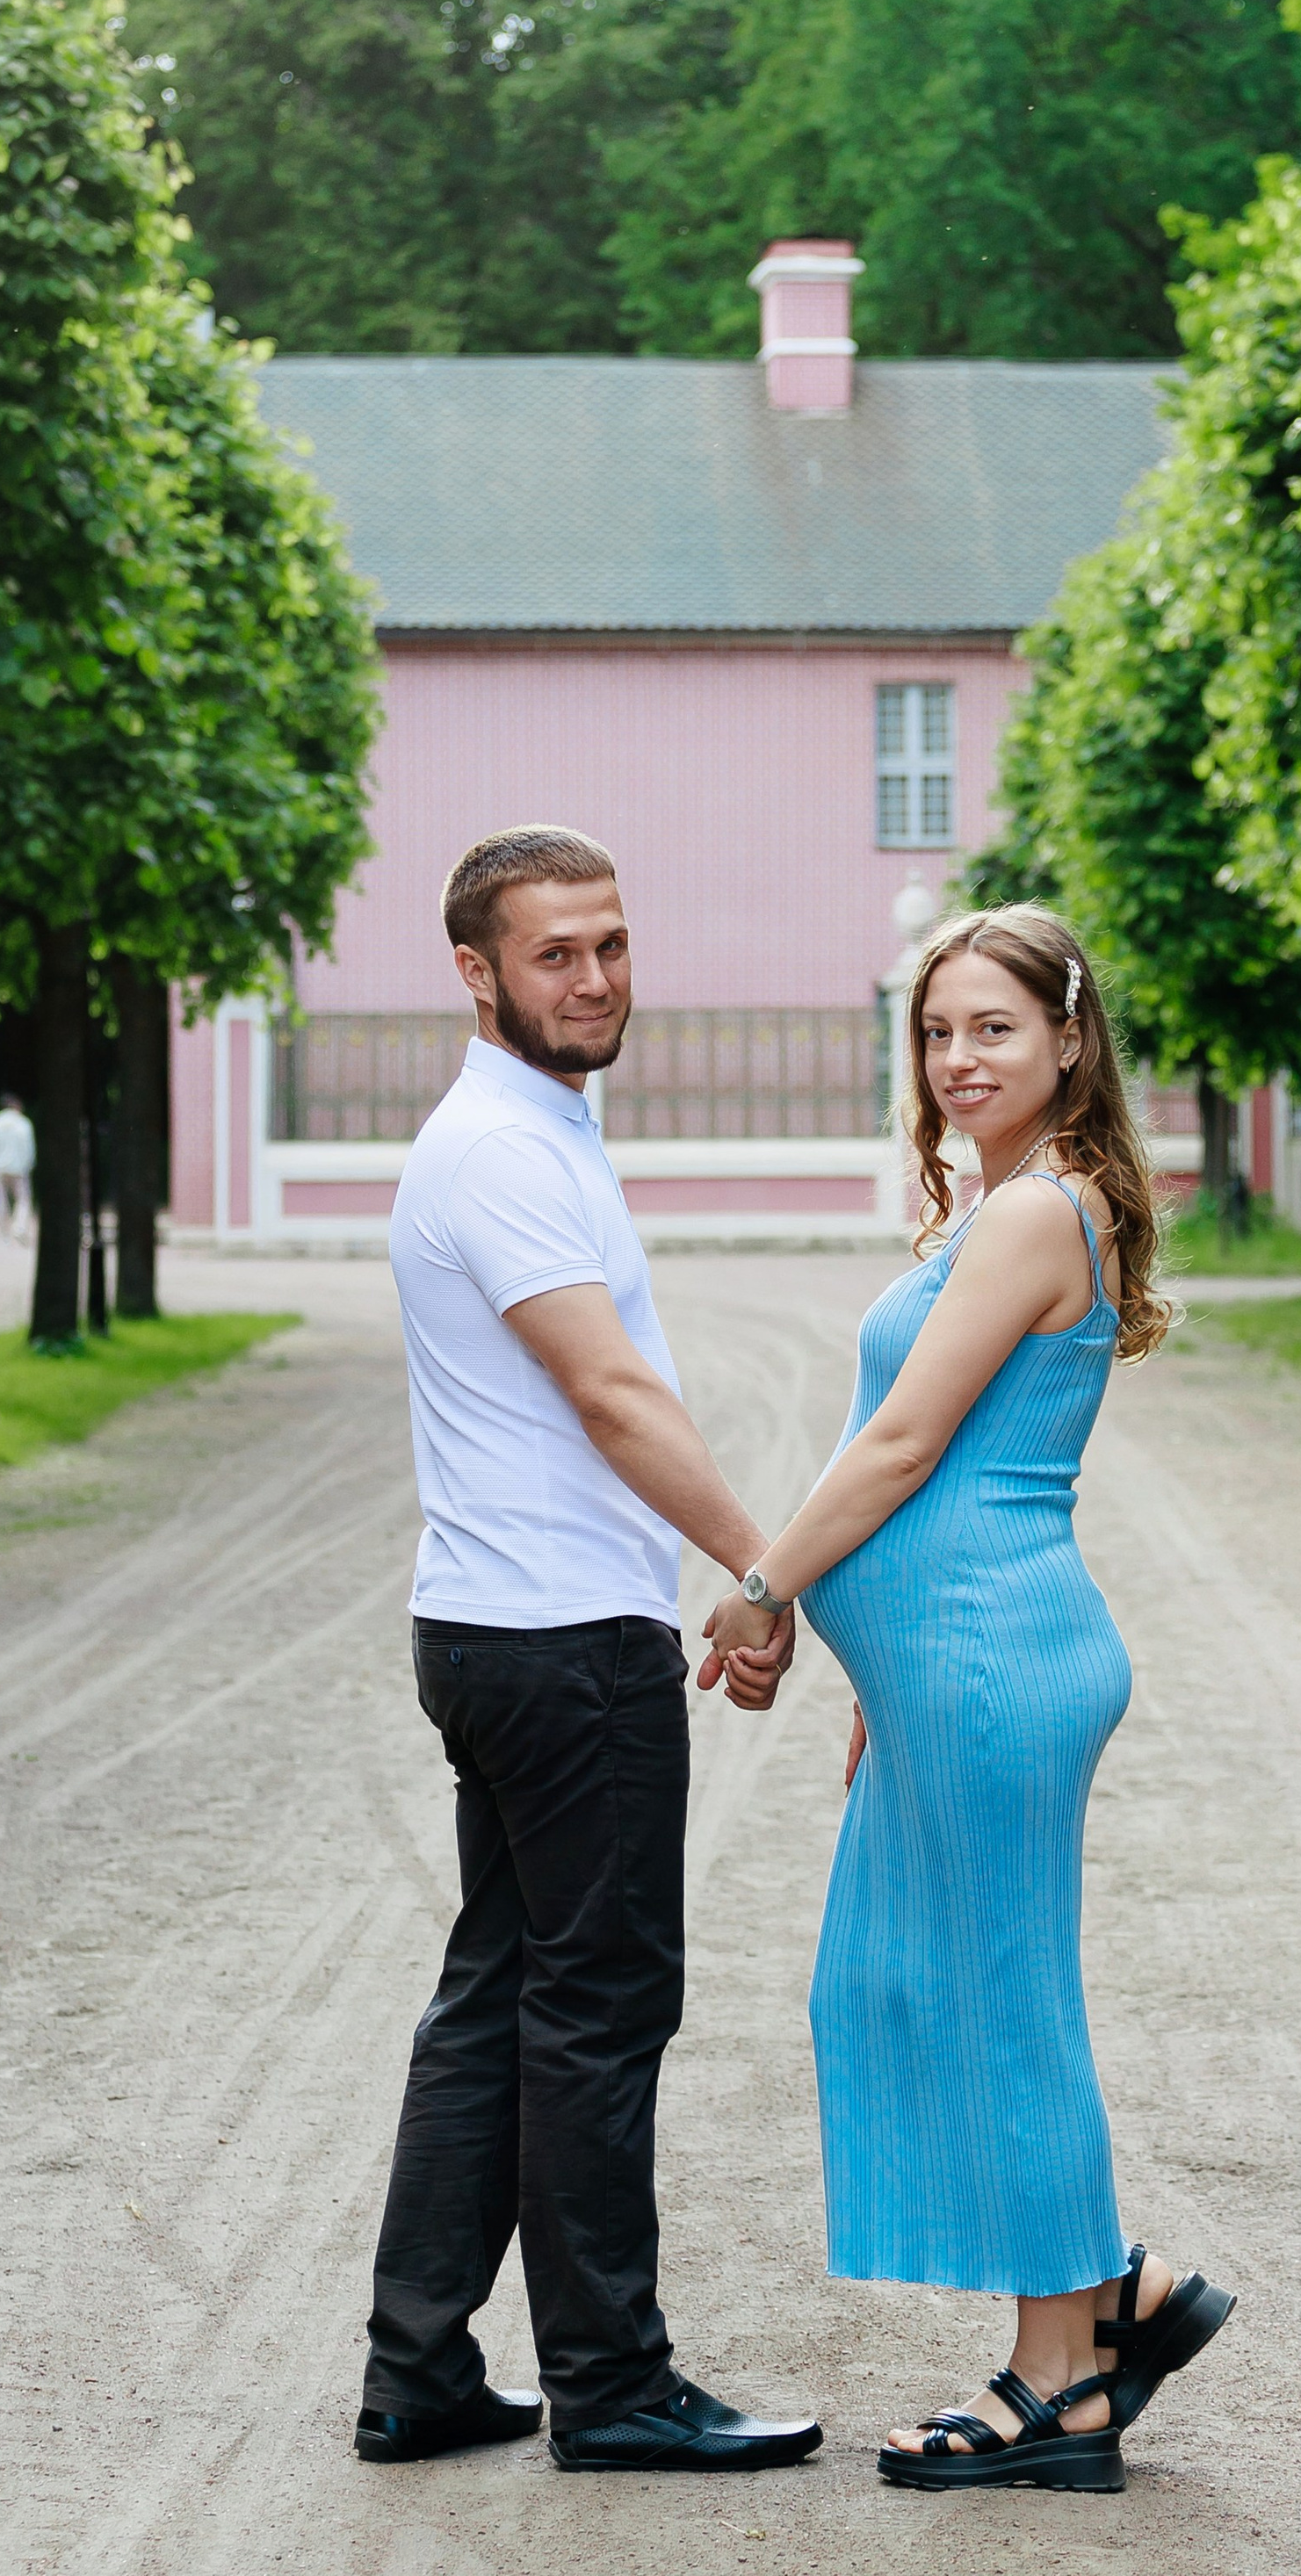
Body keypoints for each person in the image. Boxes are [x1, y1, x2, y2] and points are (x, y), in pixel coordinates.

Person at [701, 905, 1236, 2495]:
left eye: (993, 1026)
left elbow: (899, 1448)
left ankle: (1063, 2383)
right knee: (892, 1988)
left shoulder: (1031, 1213)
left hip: (999, 1663)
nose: (958, 1058)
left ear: (1071, 1036)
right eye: (936, 1032)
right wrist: (879, 1669)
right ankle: (1111, 2295)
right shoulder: (1003, 1203)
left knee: (1007, 2008)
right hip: (950, 1673)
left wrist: (763, 1587)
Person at [357, 824, 823, 2480]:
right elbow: (614, 1397)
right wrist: (769, 1570)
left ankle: (417, 2371)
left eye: (613, 945)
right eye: (558, 954)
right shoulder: (499, 1151)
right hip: (561, 1651)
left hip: (502, 1634)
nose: (598, 978)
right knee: (600, 2009)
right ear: (476, 973)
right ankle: (613, 2387)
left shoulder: (534, 1131)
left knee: (500, 1999)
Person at [0, 1094, 34, 1244]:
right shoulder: (23, 1122)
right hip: (19, 1167)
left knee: (0, 1200)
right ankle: (19, 1227)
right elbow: (29, 1147)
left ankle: (3, 1234)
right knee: (23, 1199)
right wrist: (29, 1165)